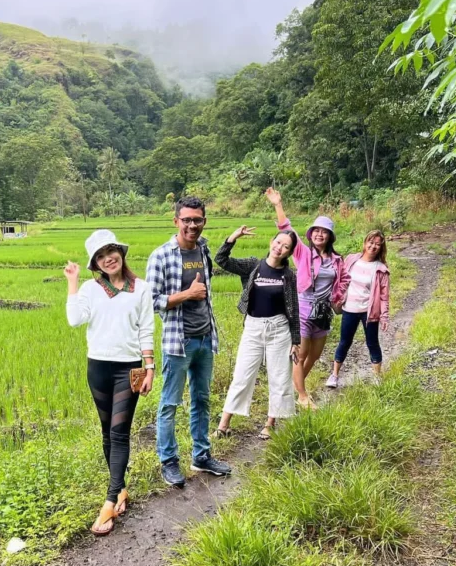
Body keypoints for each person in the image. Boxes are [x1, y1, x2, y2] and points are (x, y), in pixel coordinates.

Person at [65, 229, 155, 536]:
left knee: (120, 430)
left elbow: (146, 329)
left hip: (128, 369)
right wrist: (73, 283)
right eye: (101, 256)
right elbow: (75, 320)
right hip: (98, 367)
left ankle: (109, 499)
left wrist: (150, 367)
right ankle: (121, 490)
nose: (108, 259)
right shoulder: (91, 289)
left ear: (120, 252)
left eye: (111, 251)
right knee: (107, 432)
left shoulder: (140, 288)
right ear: (96, 263)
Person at [146, 196, 232, 487]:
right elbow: (151, 301)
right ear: (176, 221)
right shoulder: (161, 256)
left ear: (203, 221)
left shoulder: (203, 248)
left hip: (205, 339)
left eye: (197, 220)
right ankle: (168, 461)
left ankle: (202, 456)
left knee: (201, 400)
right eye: (187, 220)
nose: (192, 225)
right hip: (177, 342)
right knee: (170, 404)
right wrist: (186, 295)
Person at [266, 187, 349, 410]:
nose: (319, 234)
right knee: (300, 354)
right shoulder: (302, 252)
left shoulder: (337, 260)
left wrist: (339, 298)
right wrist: (278, 204)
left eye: (324, 232)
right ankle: (302, 396)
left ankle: (296, 386)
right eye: (316, 231)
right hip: (303, 307)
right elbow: (286, 228)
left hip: (323, 311)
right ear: (310, 234)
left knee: (314, 355)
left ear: (330, 236)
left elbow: (343, 281)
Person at [214, 224, 300, 439]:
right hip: (253, 327)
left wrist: (296, 340)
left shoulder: (289, 276)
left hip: (279, 329)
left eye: (286, 247)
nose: (280, 248)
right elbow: (222, 260)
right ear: (272, 242)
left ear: (289, 252)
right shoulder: (254, 265)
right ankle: (223, 425)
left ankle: (270, 424)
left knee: (279, 376)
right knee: (242, 375)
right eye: (278, 242)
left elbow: (294, 309)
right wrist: (233, 236)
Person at [327, 230, 390, 388]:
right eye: (371, 242)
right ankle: (334, 375)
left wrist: (384, 316)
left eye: (377, 244)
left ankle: (377, 376)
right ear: (365, 243)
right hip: (349, 309)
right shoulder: (351, 260)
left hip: (369, 312)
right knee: (344, 342)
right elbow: (339, 278)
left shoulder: (381, 269)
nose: (373, 246)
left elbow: (384, 296)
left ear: (381, 248)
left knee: (372, 343)